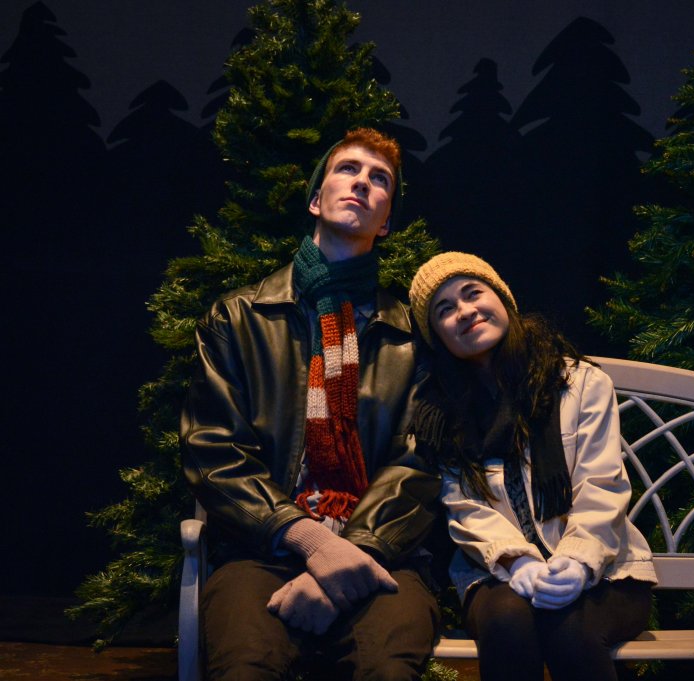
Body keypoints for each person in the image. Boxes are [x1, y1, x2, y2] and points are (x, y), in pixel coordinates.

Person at [181, 128, 440, 681]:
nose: (363, 184)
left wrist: (350, 556)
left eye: (380, 181)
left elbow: (417, 463)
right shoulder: (238, 318)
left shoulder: (410, 336)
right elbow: (213, 450)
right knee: (245, 667)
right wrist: (311, 540)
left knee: (390, 670)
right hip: (262, 549)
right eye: (348, 170)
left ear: (386, 220)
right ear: (316, 200)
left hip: (378, 553)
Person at [407, 252, 658, 681]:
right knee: (507, 622)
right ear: (437, 336)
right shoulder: (440, 411)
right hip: (493, 569)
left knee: (571, 630)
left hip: (607, 568)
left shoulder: (578, 383)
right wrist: (516, 561)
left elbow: (602, 483)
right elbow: (462, 505)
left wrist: (578, 562)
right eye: (444, 309)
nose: (465, 311)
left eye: (473, 294)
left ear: (502, 298)